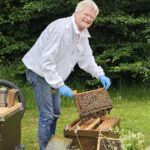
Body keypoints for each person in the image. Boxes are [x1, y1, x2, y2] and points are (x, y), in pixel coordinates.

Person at [22, 0, 111, 149]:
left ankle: (51, 145)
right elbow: (46, 61)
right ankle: (45, 148)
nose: (89, 19)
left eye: (92, 17)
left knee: (56, 113)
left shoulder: (82, 34)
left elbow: (87, 59)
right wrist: (60, 85)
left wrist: (99, 74)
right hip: (39, 73)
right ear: (77, 12)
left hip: (53, 76)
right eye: (86, 14)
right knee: (47, 115)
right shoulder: (61, 28)